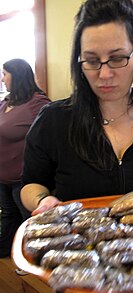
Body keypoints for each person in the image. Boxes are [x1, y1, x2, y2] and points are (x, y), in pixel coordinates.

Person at [20, 0, 133, 217]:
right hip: (82, 248)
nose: (104, 75)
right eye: (92, 60)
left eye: (117, 58)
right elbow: (31, 184)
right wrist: (43, 200)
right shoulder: (53, 120)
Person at [0, 58, 50, 257]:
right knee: (8, 217)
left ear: (17, 75)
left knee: (30, 224)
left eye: (5, 74)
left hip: (22, 180)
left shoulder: (37, 103)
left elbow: (51, 137)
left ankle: (33, 260)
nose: (2, 79)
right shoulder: (6, 102)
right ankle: (7, 253)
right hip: (3, 176)